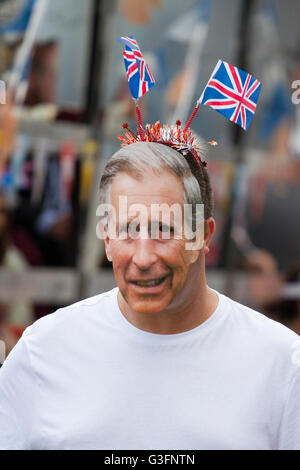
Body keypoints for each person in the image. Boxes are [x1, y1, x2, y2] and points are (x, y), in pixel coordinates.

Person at [0, 135, 299, 450]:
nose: (142, 259)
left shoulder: (282, 365)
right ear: (106, 238)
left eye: (164, 231)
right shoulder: (43, 351)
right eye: (127, 231)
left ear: (203, 235)